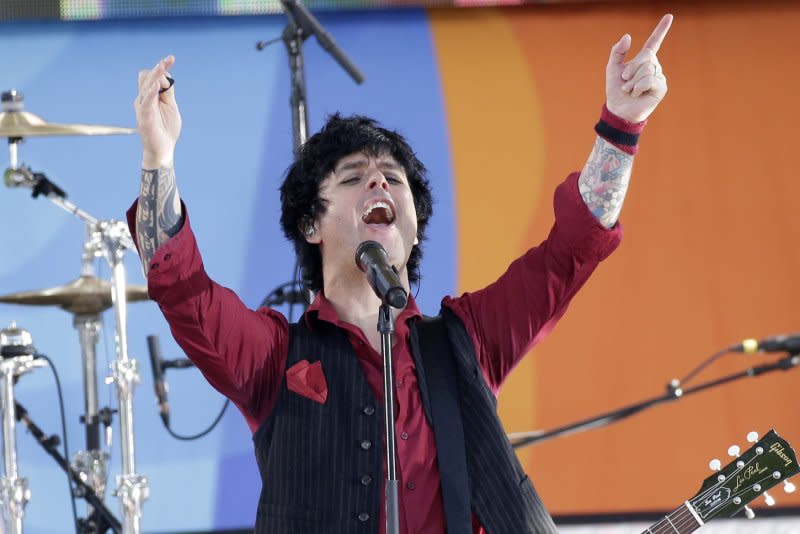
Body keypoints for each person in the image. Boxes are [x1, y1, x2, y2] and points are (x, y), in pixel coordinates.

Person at [129, 13, 673, 534]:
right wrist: (159, 159)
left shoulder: (470, 340)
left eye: (393, 178)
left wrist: (621, 124)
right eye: (354, 178)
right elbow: (182, 289)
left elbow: (571, 251)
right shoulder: (274, 356)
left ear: (413, 229)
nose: (380, 185)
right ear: (312, 225)